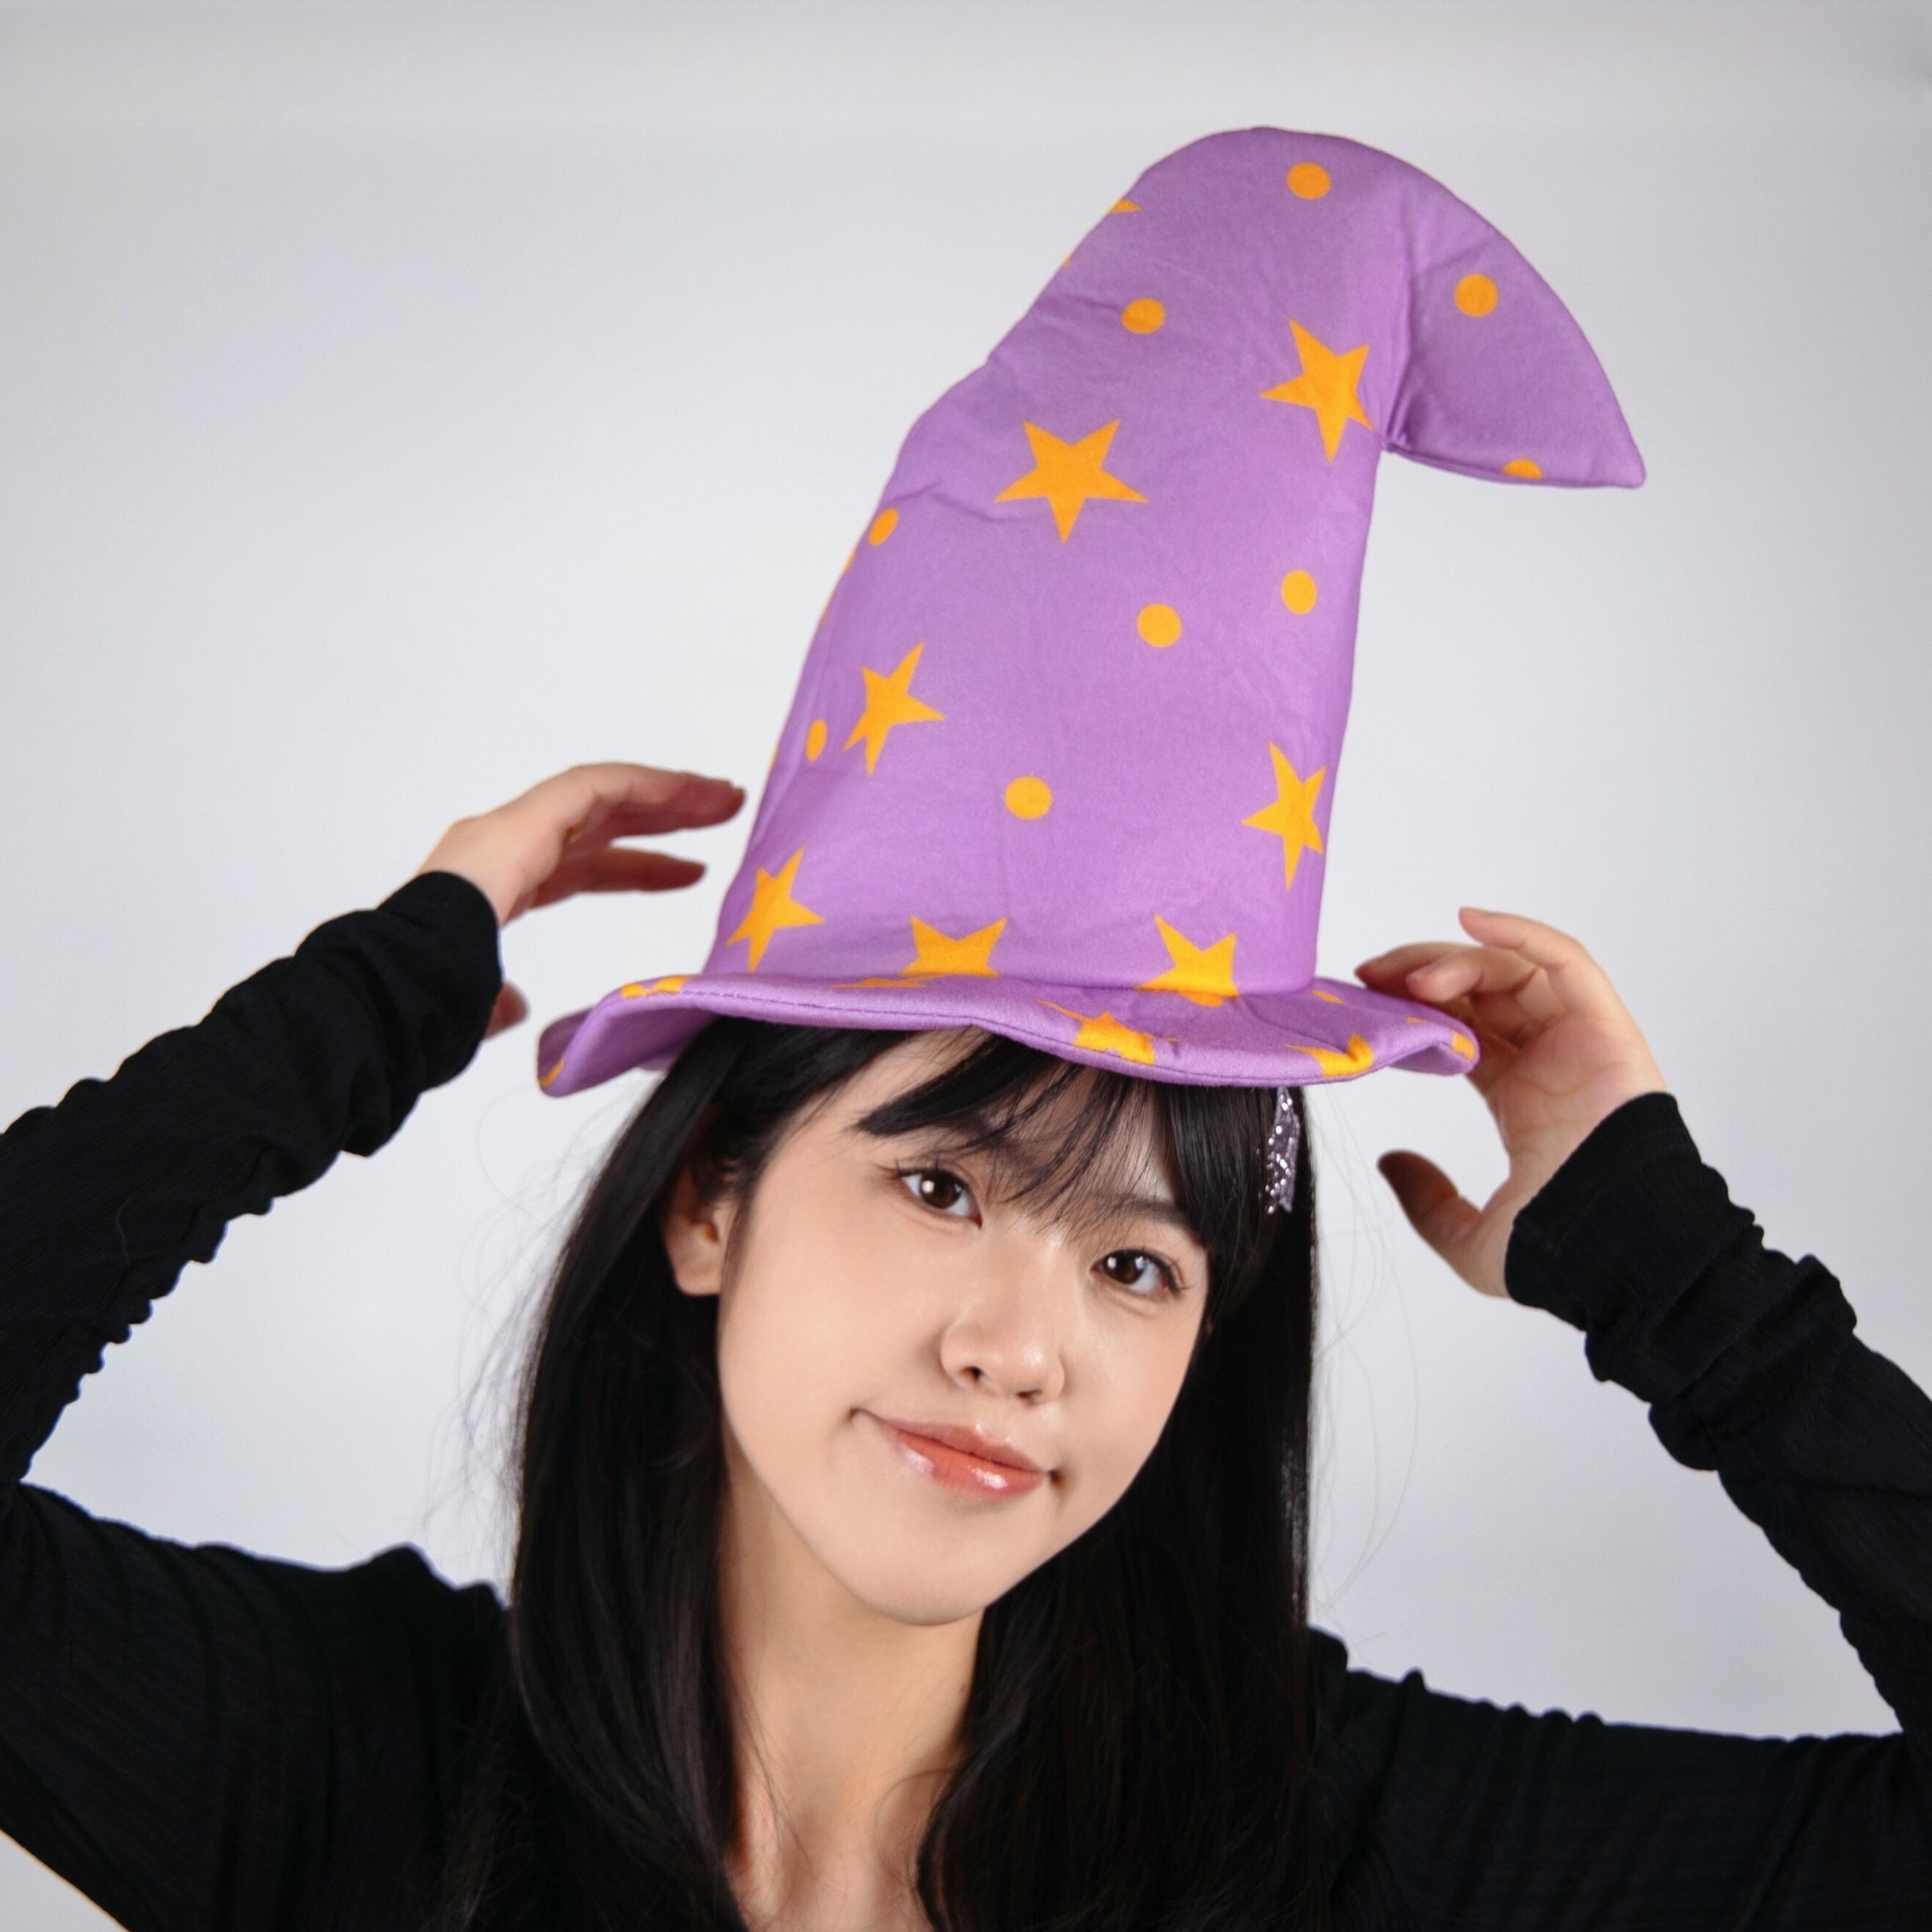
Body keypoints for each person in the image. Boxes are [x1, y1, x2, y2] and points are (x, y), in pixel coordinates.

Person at [1, 759, 1926, 1931]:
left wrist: (1679, 1280)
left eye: (1138, 1265)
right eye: (941, 1187)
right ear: (709, 1201)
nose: (1025, 1350)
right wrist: (358, 1007)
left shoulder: (1313, 1831)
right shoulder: (361, 1773)